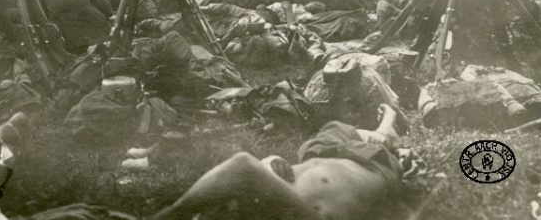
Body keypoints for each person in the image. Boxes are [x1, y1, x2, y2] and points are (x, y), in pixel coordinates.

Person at [154, 104, 403, 220]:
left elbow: (252, 172)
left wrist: (270, 161)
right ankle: (386, 128)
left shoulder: (264, 205)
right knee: (358, 135)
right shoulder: (296, 213)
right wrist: (175, 213)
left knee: (333, 131)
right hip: (372, 163)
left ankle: (385, 129)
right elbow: (242, 165)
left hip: (319, 154)